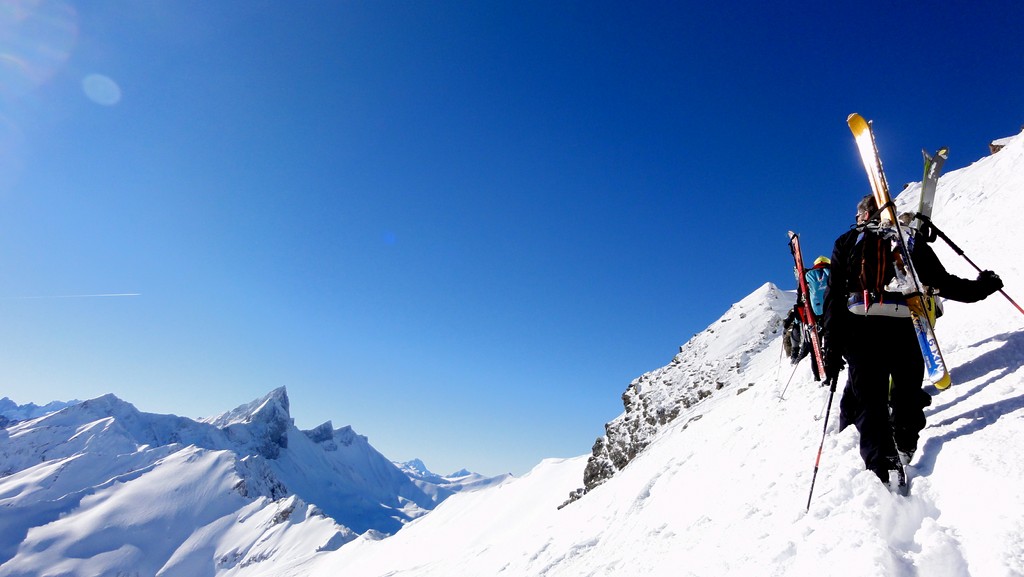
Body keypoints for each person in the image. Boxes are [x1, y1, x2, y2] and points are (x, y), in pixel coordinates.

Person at [821, 194, 1003, 486]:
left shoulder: (848, 241)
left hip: (861, 327)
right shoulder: (910, 241)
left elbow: (833, 297)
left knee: (870, 400)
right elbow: (943, 283)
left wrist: (831, 346)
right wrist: (983, 287)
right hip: (906, 325)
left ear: (863, 215)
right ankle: (905, 442)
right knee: (907, 391)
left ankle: (883, 468)